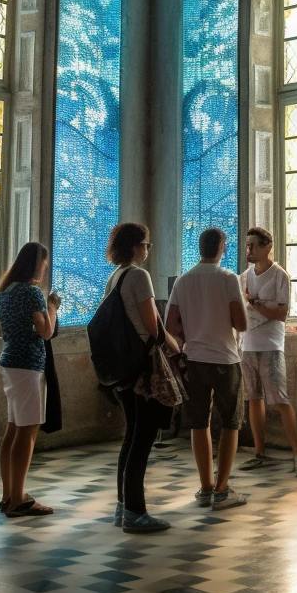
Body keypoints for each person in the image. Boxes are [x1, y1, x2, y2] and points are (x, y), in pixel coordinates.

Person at [166, 227, 248, 512]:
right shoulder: (228, 279)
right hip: (225, 359)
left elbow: (172, 326)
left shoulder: (183, 281)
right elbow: (242, 323)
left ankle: (205, 487)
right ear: (222, 247)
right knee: (230, 422)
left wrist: (191, 336)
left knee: (198, 422)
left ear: (200, 248)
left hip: (195, 359)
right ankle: (223, 488)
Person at [104, 222, 178, 534]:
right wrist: (175, 346)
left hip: (123, 370)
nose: (148, 249)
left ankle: (124, 506)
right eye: (146, 244)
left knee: (131, 436)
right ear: (136, 246)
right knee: (143, 439)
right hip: (143, 370)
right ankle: (136, 511)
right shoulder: (138, 275)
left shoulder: (115, 276)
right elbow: (153, 324)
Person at [238, 227, 297, 478]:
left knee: (280, 400)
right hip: (247, 344)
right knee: (253, 399)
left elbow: (281, 314)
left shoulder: (280, 276)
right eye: (247, 246)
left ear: (268, 246)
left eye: (254, 246)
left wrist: (255, 304)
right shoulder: (243, 278)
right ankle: (260, 453)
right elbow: (240, 312)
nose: (249, 250)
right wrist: (257, 308)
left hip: (270, 344)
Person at [0, 241, 60, 518]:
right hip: (28, 365)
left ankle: (8, 493)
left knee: (13, 428)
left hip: (9, 361)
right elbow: (46, 332)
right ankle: (18, 499)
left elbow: (0, 329)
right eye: (44, 263)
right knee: (28, 430)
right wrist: (53, 307)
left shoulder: (5, 290)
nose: (45, 269)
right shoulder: (33, 292)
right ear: (38, 264)